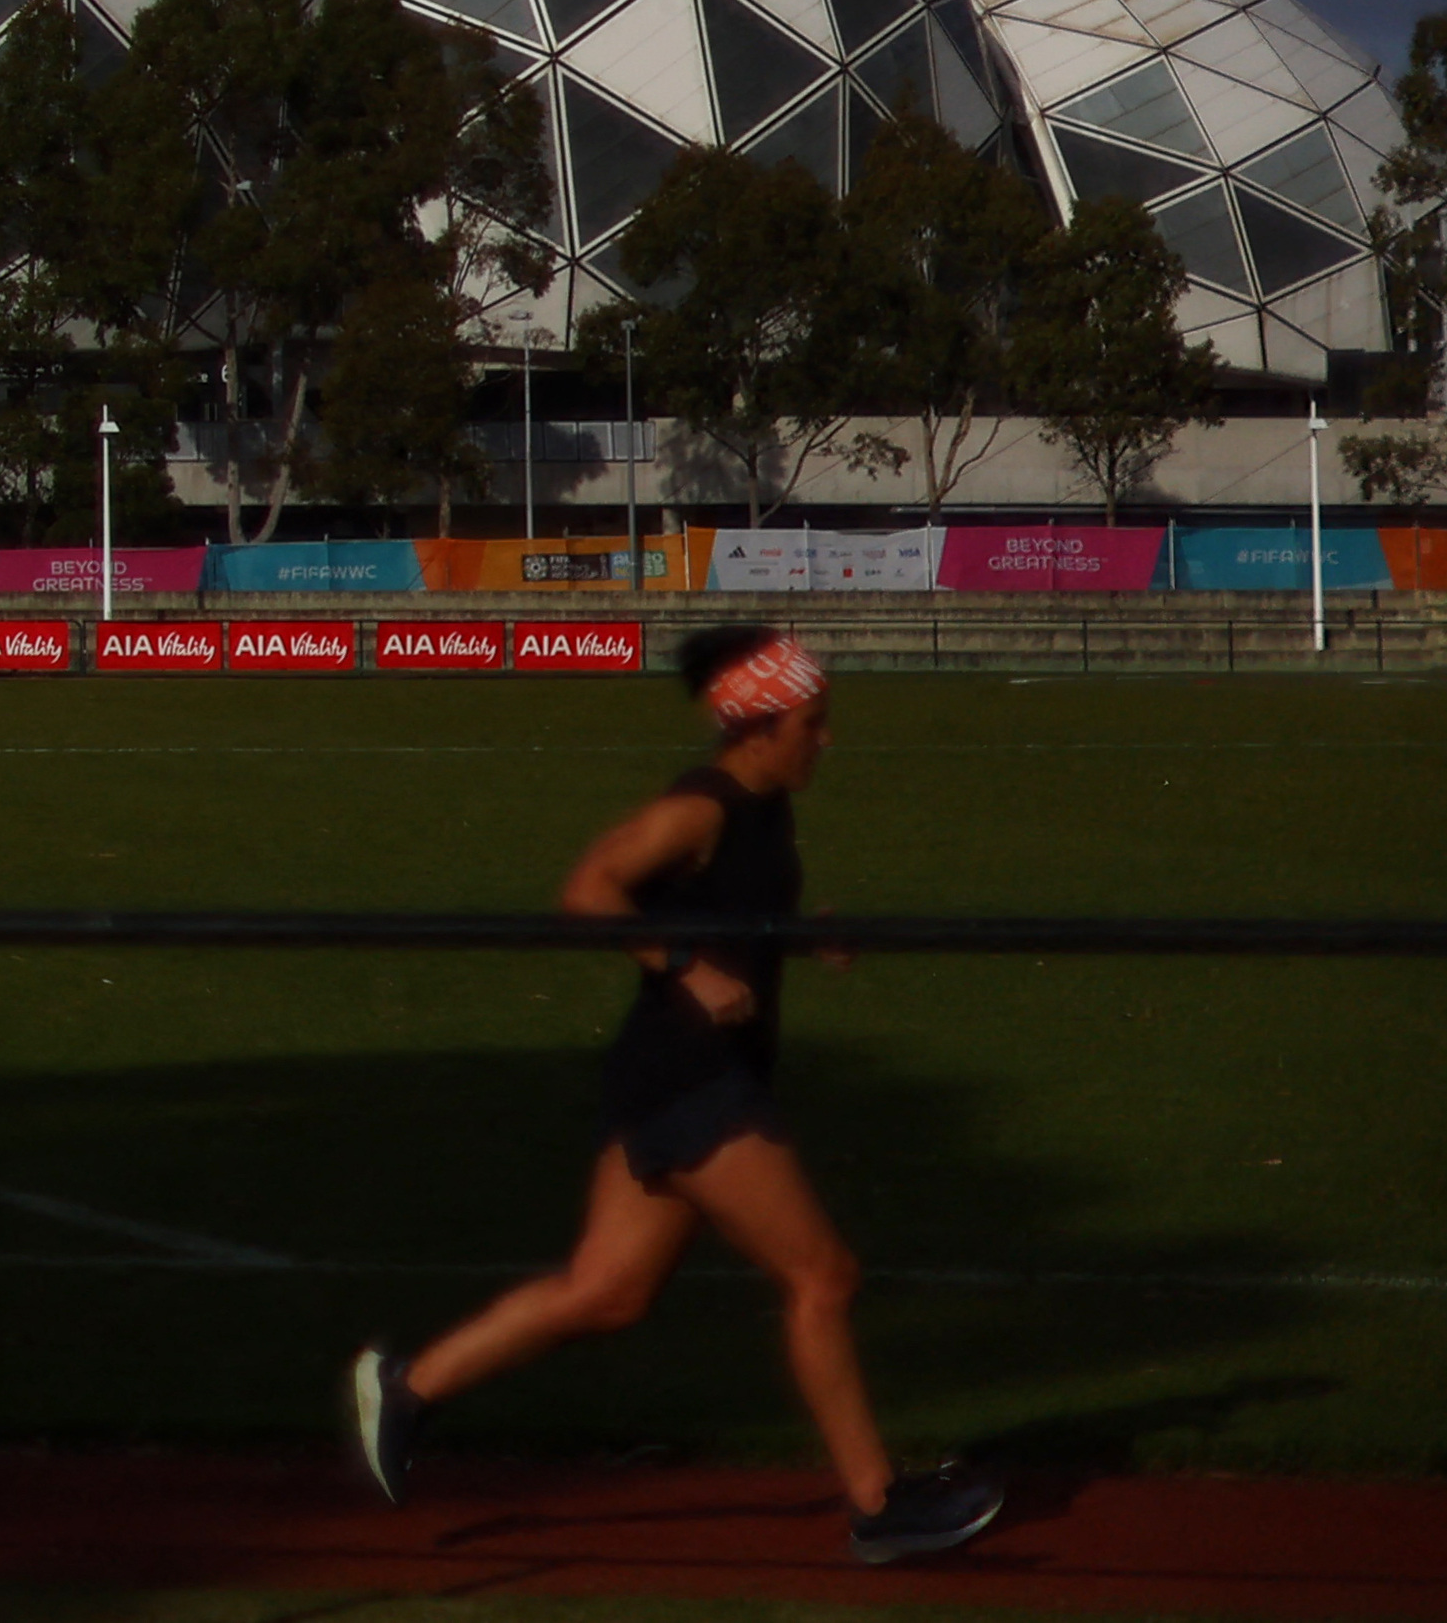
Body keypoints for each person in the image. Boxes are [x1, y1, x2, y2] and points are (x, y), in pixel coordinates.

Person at [341, 625, 1002, 1567]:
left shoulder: (767, 804)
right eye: (812, 723)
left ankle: (410, 1386)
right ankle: (877, 1504)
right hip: (692, 1077)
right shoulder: (705, 804)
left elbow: (730, 911)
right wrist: (684, 965)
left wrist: (799, 936)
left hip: (675, 1073)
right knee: (821, 1276)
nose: (825, 739)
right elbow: (588, 887)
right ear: (758, 725)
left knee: (605, 1291)